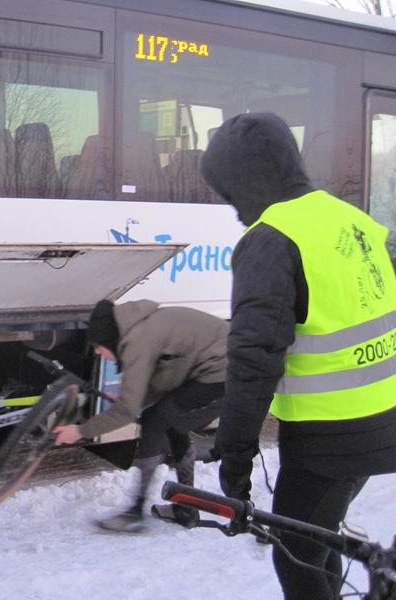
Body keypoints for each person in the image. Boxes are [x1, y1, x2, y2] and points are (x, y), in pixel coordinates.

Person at [200, 112, 396, 600]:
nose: (232, 206)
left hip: (331, 437)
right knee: (315, 538)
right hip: (381, 418)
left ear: (246, 178)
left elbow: (253, 360)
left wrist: (236, 458)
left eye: (228, 191)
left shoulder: (271, 240)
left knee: (296, 557)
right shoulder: (352, 220)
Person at [53, 299, 228, 532]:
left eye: (97, 345)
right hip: (220, 367)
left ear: (108, 339)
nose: (97, 352)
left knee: (155, 422)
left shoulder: (138, 341)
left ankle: (136, 510)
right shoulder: (140, 327)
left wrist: (80, 431)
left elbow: (127, 411)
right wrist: (133, 400)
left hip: (229, 374)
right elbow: (164, 380)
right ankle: (187, 508)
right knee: (172, 421)